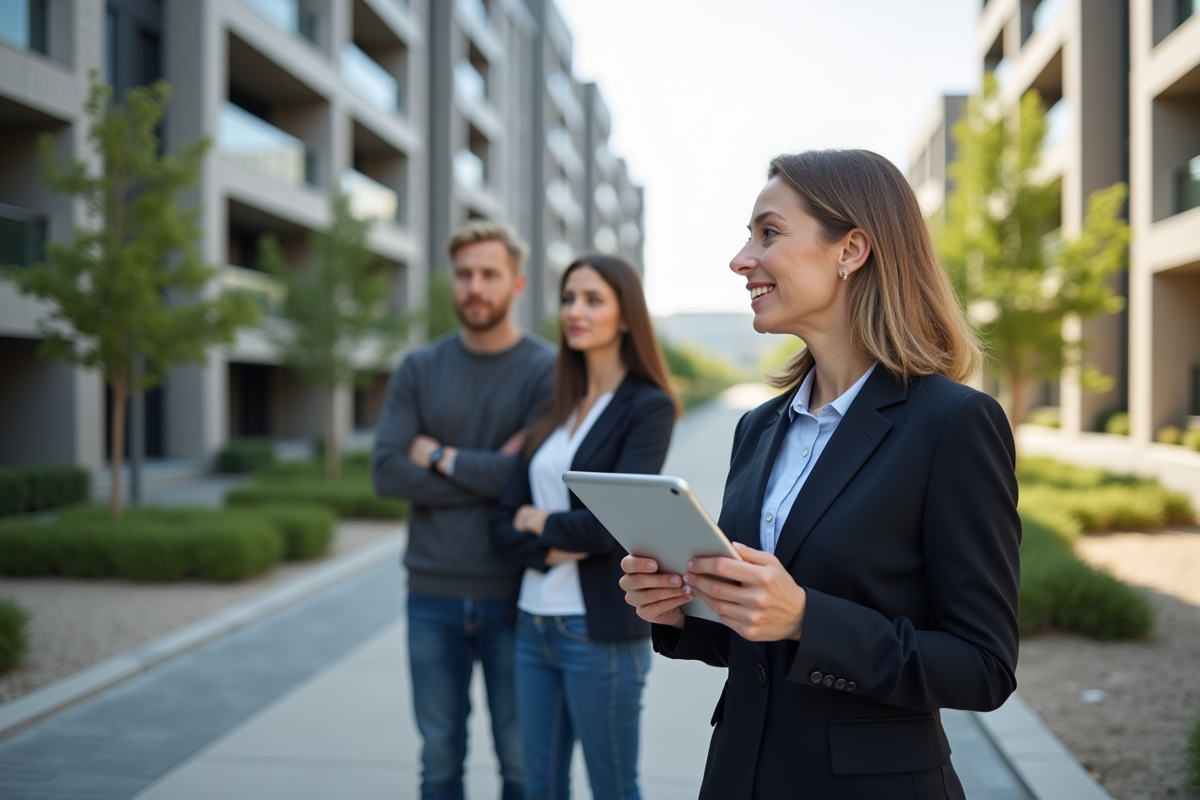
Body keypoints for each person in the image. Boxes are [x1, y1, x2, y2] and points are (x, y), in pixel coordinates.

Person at [619, 150, 1021, 800]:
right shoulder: (759, 427)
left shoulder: (954, 424)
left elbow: (983, 667)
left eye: (768, 232)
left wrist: (807, 617)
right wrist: (676, 610)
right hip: (738, 775)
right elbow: (750, 638)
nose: (741, 258)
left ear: (851, 249)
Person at [372, 221, 555, 800]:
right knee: (439, 759)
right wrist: (493, 474)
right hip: (431, 594)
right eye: (465, 274)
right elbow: (386, 472)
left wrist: (440, 457)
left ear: (517, 283)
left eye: (489, 274)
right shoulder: (419, 368)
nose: (475, 287)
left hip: (513, 595)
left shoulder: (546, 371)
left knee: (522, 763)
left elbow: (531, 479)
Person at [489, 254, 679, 800]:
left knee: (614, 789)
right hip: (532, 623)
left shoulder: (648, 407)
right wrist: (554, 540)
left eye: (593, 299)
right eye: (569, 298)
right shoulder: (554, 408)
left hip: (598, 634)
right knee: (538, 788)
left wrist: (538, 521)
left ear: (625, 317)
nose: (575, 310)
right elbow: (501, 525)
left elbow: (610, 530)